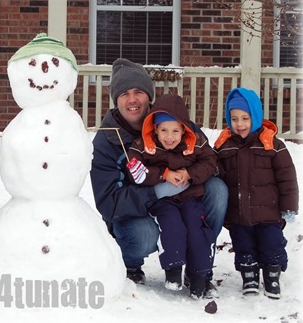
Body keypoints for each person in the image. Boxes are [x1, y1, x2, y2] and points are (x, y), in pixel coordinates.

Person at [90, 58, 228, 297]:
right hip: (134, 213)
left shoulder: (171, 120)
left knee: (217, 190)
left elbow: (209, 160)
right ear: (116, 100)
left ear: (149, 96)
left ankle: (200, 263)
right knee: (145, 234)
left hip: (183, 199)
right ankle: (129, 263)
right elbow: (108, 203)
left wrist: (190, 174)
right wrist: (158, 189)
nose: (132, 100)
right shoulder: (107, 141)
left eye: (138, 92)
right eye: (124, 94)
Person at [126, 94, 217, 299]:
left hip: (190, 197)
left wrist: (190, 174)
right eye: (164, 130)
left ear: (184, 129)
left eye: (175, 130)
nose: (169, 137)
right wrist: (163, 174)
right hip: (163, 201)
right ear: (155, 129)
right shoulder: (144, 145)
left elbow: (210, 161)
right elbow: (135, 171)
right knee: (172, 226)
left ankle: (199, 276)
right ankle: (174, 269)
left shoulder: (195, 142)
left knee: (196, 229)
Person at [214, 87, 298, 299]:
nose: (239, 124)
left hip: (269, 213)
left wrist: (288, 207)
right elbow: (217, 174)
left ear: (256, 117)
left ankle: (272, 275)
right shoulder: (224, 147)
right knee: (244, 245)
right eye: (234, 119)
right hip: (239, 213)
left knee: (272, 244)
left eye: (245, 118)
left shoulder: (273, 145)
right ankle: (249, 275)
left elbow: (287, 178)